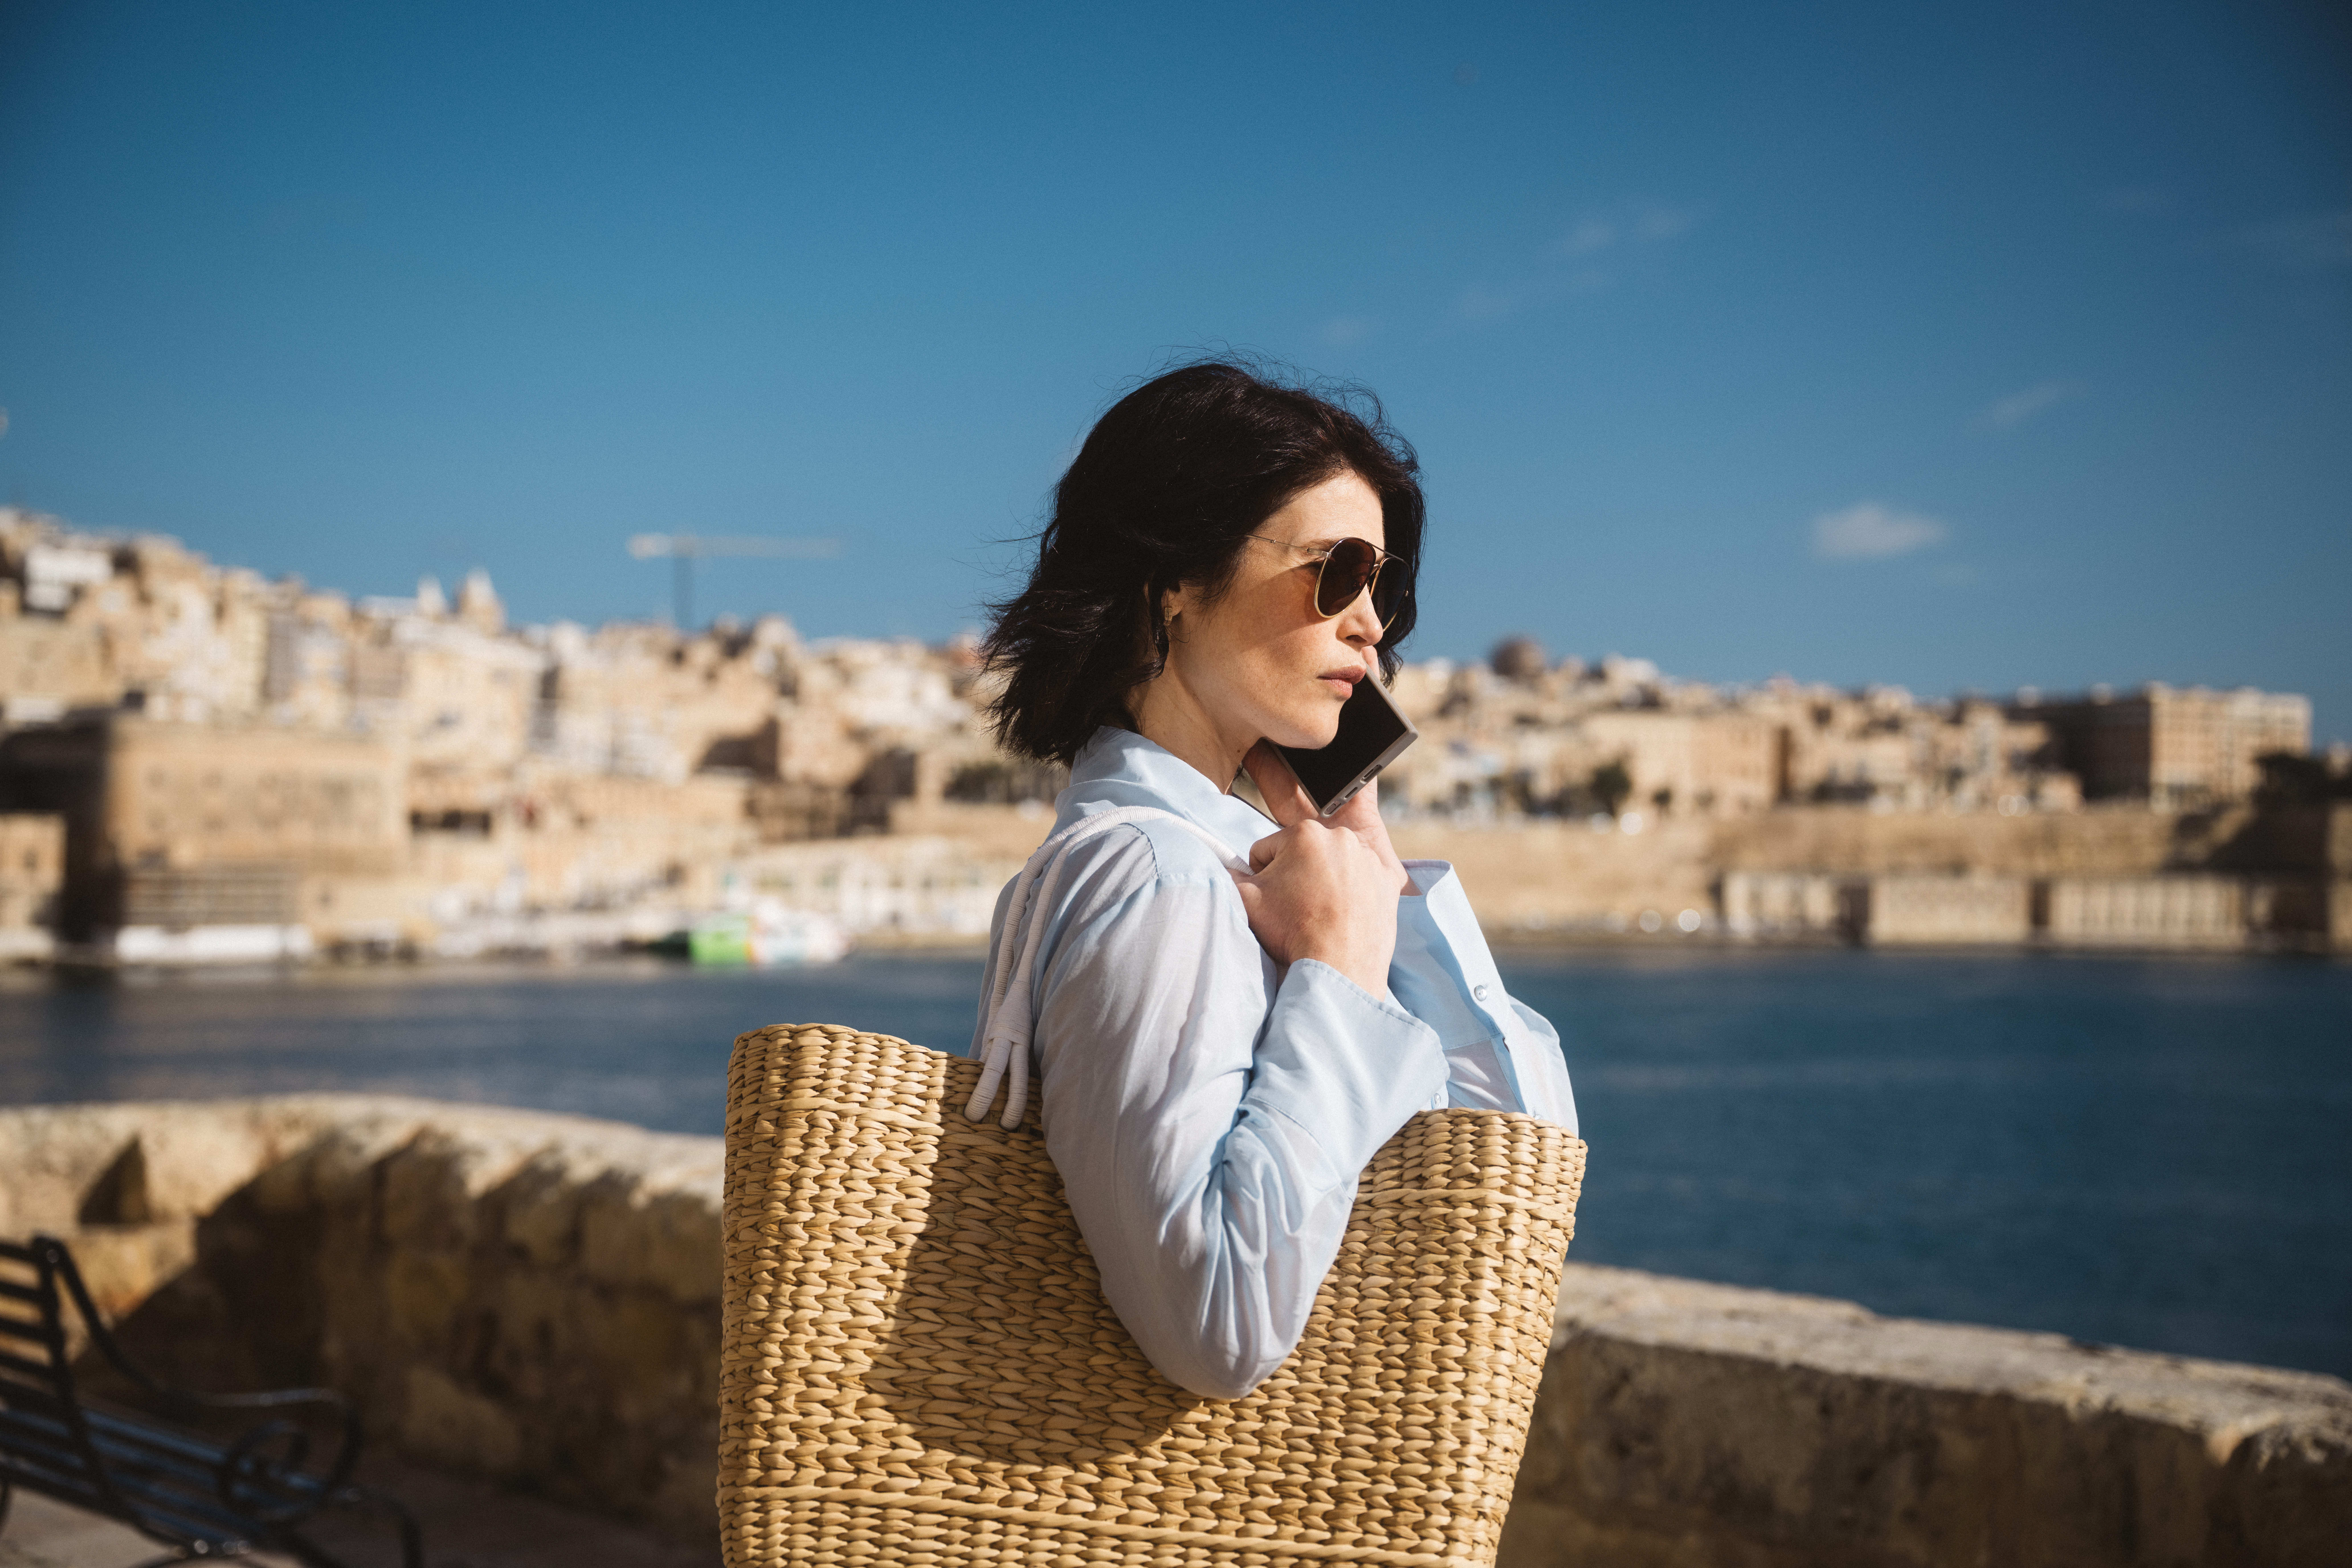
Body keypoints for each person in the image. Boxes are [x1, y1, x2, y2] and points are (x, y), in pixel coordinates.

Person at [970, 359, 1577, 1400]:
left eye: (1384, 587)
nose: (1372, 625)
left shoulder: (1220, 869)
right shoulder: (1156, 875)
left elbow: (1513, 1180)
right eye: (1336, 572)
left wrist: (1376, 889)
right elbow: (1218, 1324)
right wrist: (1338, 976)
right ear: (1175, 582)